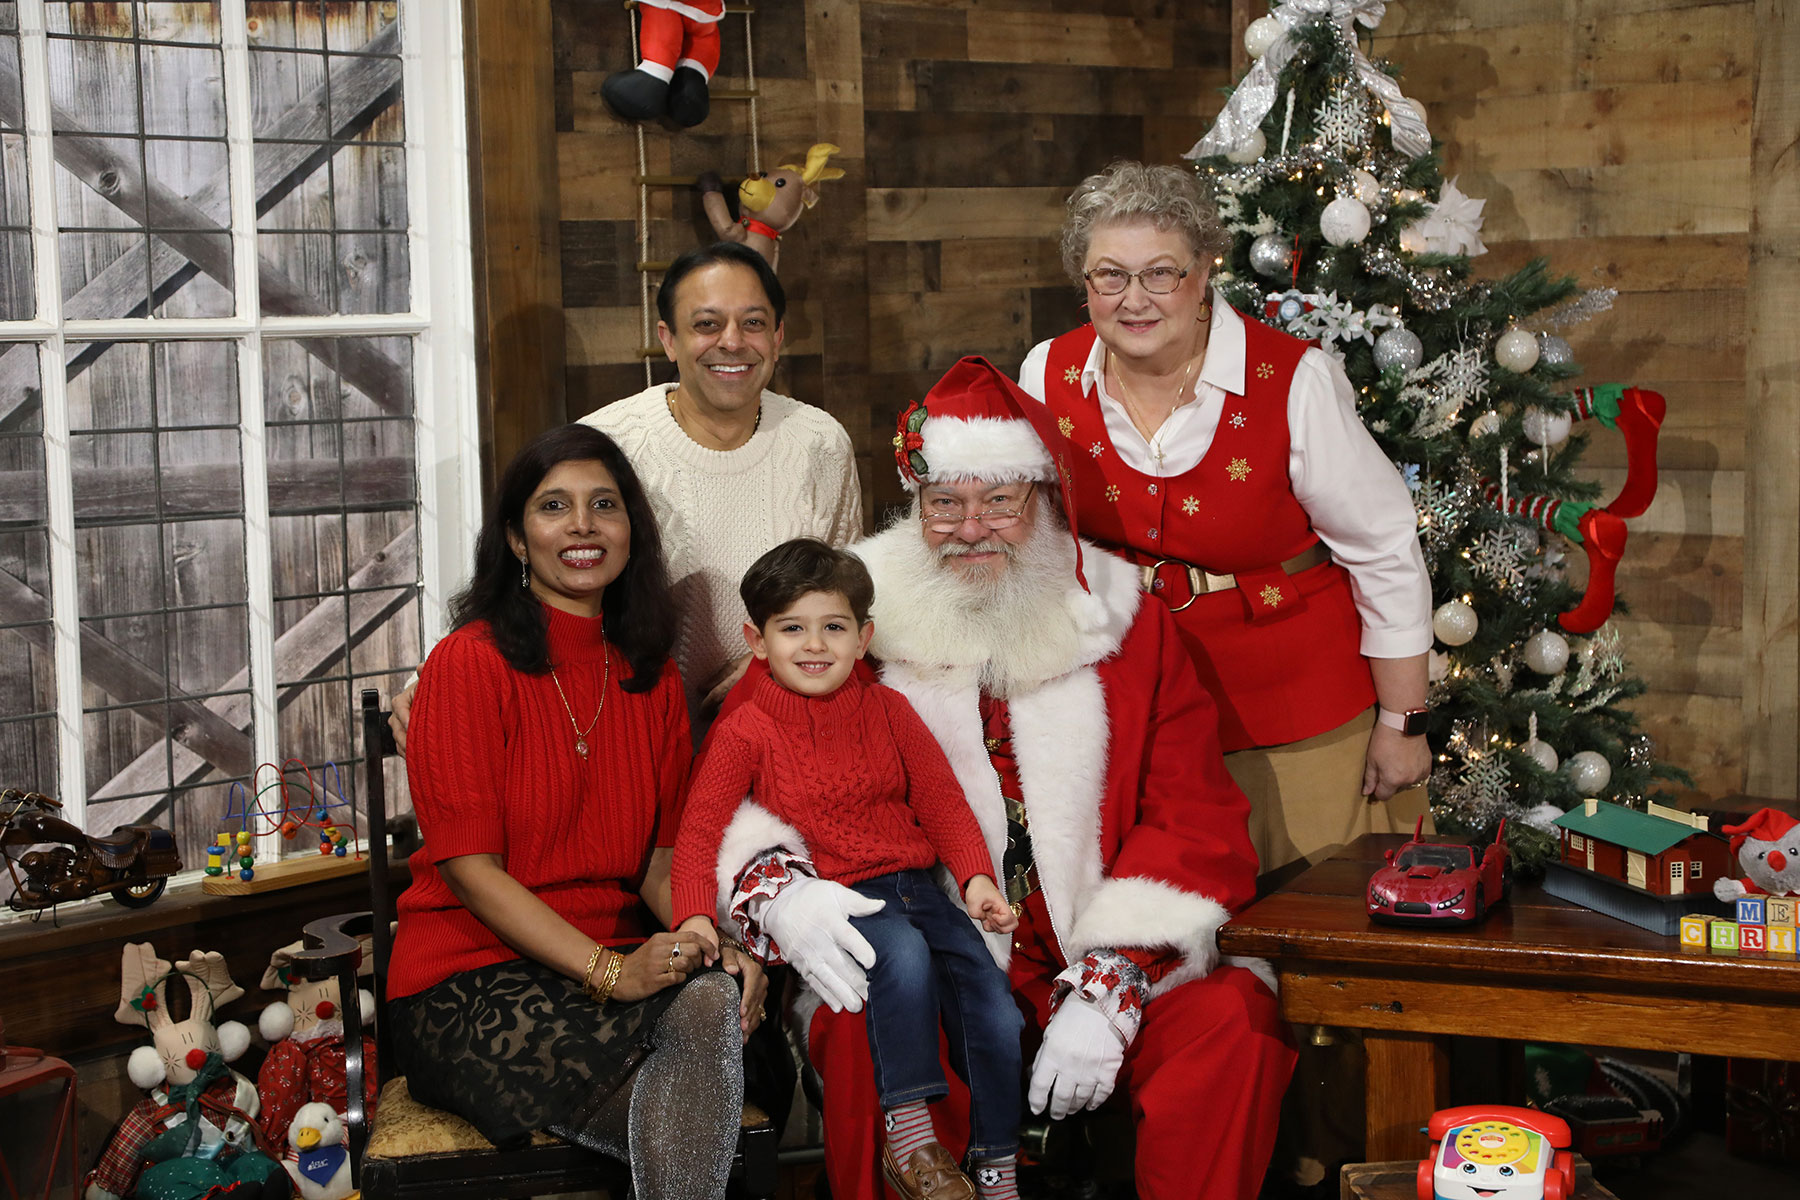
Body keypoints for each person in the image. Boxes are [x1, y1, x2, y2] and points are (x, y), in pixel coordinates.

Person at [714, 359, 1295, 1200]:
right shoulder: (846, 623)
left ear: (1045, 502)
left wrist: (1112, 983)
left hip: (1095, 951)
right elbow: (745, 784)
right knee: (863, 1022)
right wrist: (787, 894)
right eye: (944, 503)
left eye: (1000, 501)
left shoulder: (1130, 626)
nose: (970, 527)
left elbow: (1194, 816)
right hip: (930, 950)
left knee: (1232, 1021)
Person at [1017, 161, 1433, 882]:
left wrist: (1403, 722)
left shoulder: (1293, 381)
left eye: (1161, 274)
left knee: (1310, 931)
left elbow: (1385, 551)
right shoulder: (1046, 374)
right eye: (1109, 276)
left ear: (1206, 271)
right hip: (1125, 712)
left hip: (1292, 715)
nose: (1134, 299)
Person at [385, 424, 768, 1200]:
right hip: (471, 976)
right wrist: (611, 973)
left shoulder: (651, 677)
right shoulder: (468, 662)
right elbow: (470, 873)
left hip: (622, 957)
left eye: (605, 505)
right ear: (518, 540)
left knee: (712, 998)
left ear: (632, 529)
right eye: (554, 506)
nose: (584, 525)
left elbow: (663, 867)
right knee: (699, 1108)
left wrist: (712, 937)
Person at [390, 241, 862, 748]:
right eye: (706, 324)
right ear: (669, 340)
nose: (732, 342)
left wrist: (769, 657)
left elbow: (851, 585)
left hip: (785, 734)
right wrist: (434, 679)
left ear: (778, 336)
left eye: (753, 323)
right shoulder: (609, 443)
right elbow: (530, 572)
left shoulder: (819, 441)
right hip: (629, 736)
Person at [671, 538, 1023, 1200]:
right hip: (844, 901)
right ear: (757, 639)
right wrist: (692, 913)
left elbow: (942, 801)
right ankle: (911, 1141)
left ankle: (998, 1165)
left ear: (863, 637)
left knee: (994, 1009)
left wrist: (975, 878)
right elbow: (699, 832)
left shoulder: (889, 711)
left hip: (919, 890)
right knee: (905, 961)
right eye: (792, 628)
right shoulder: (745, 729)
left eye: (833, 627)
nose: (815, 645)